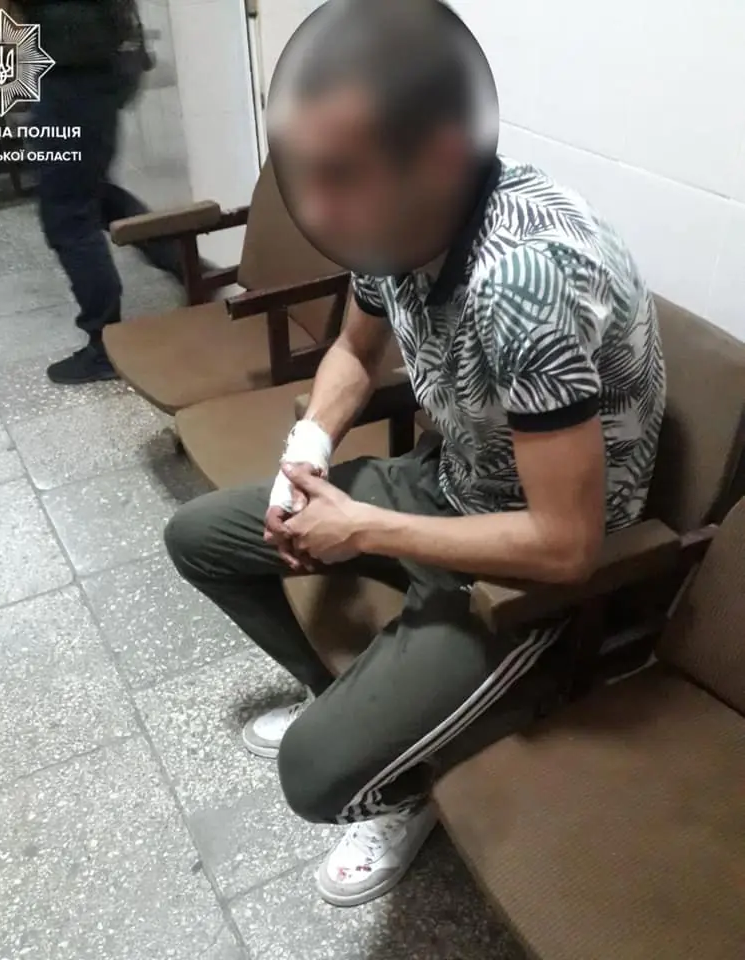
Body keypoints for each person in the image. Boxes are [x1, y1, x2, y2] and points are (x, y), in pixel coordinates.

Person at [164, 0, 666, 908]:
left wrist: (359, 528)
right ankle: (358, 708)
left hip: (528, 562)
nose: (318, 210)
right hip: (450, 479)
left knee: (313, 778)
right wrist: (308, 450)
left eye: (339, 179)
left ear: (437, 159)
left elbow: (566, 546)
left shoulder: (524, 280)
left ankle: (399, 781)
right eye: (307, 177)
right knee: (200, 538)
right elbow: (356, 354)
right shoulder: (397, 222)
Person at [21, 0, 184, 384]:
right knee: (91, 195)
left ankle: (104, 345)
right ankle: (182, 261)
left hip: (74, 77)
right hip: (88, 72)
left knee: (68, 217)